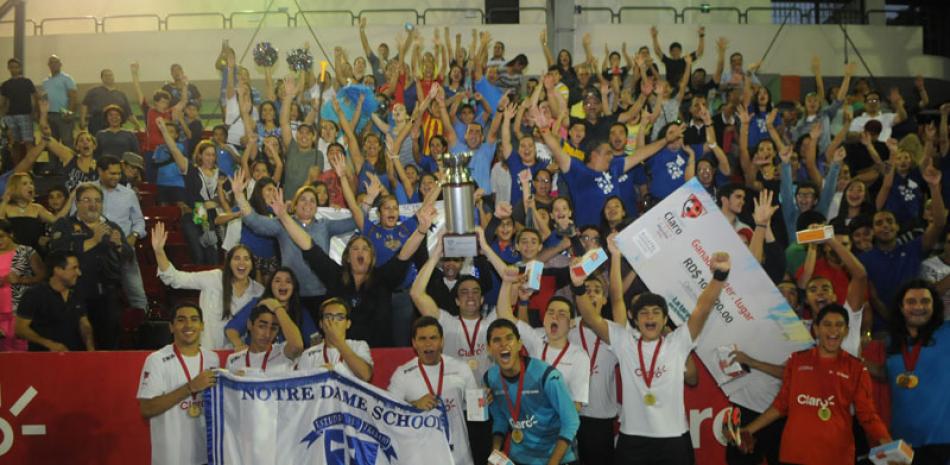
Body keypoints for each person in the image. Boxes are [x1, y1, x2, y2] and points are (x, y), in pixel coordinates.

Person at [575, 250, 732, 465]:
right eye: (644, 313)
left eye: (656, 312)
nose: (650, 317)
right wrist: (577, 287)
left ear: (665, 318)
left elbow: (702, 309)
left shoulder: (677, 342)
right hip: (632, 440)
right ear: (635, 320)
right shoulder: (625, 342)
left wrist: (719, 276)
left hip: (673, 439)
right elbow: (592, 319)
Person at [739, 305, 904, 465]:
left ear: (846, 331)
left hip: (836, 457)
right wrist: (748, 430)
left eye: (839, 325)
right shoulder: (797, 361)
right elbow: (781, 404)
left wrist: (888, 444)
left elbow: (867, 415)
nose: (833, 330)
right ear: (816, 329)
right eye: (827, 324)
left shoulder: (857, 368)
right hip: (795, 455)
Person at [271, 190, 431, 347]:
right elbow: (308, 246)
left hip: (378, 354)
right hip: (341, 355)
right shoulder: (334, 275)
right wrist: (284, 217)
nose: (360, 252)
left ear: (372, 257)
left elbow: (403, 254)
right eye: (355, 249)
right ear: (347, 256)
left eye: (365, 249)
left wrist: (421, 231)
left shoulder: (383, 278)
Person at [151, 222, 264, 349]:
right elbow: (175, 278)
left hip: (237, 356)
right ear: (229, 262)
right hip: (207, 353)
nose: (241, 263)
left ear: (252, 264)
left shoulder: (259, 292)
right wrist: (159, 251)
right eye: (237, 258)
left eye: (246, 259)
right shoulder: (214, 278)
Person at [484, 318, 581, 465]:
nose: (503, 344)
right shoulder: (490, 378)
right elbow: (500, 420)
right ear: (489, 349)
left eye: (509, 338)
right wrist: (495, 452)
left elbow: (571, 421)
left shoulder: (547, 376)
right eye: (497, 340)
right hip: (520, 458)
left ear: (519, 344)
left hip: (556, 458)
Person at [50, 183, 131, 349]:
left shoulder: (112, 226)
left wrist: (120, 246)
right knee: (78, 341)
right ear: (77, 203)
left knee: (110, 342)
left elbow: (129, 257)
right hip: (76, 293)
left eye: (97, 200)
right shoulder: (64, 225)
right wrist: (93, 241)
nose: (93, 204)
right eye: (87, 200)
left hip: (109, 293)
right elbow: (58, 253)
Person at [137, 304, 220, 465]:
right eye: (181, 320)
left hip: (205, 456)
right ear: (171, 327)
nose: (188, 325)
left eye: (194, 320)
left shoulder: (212, 359)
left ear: (202, 326)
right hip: (171, 458)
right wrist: (190, 388)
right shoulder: (156, 360)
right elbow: (146, 409)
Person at [388, 316, 478, 465]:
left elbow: (476, 410)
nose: (428, 343)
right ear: (414, 343)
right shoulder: (402, 374)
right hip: (422, 457)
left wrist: (486, 400)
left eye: (433, 338)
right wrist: (414, 405)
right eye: (422, 338)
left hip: (459, 455)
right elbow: (390, 413)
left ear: (442, 341)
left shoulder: (461, 368)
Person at [878, 280, 950, 464]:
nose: (918, 307)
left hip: (942, 441)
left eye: (925, 301)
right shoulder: (890, 343)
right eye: (911, 302)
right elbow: (885, 375)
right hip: (902, 445)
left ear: (935, 306)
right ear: (901, 308)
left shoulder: (946, 333)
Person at [497, 273, 591, 408]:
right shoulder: (536, 338)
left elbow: (576, 403)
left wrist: (548, 422)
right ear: (544, 318)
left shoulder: (579, 356)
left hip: (557, 424)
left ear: (571, 323)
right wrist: (506, 282)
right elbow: (504, 316)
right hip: (528, 418)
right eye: (551, 312)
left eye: (562, 314)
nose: (555, 317)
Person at [95, 156, 148, 311]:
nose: (116, 177)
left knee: (137, 293)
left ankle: (144, 325)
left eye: (118, 173)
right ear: (100, 171)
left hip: (123, 248)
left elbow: (139, 221)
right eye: (112, 173)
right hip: (96, 248)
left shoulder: (128, 194)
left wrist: (134, 236)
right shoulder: (88, 190)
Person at [14, 250, 93, 352]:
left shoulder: (77, 292)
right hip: (44, 359)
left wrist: (90, 347)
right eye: (74, 268)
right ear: (58, 270)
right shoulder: (34, 295)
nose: (79, 273)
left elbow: (84, 323)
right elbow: (20, 329)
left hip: (74, 356)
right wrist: (49, 344)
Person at [225, 267, 317, 350]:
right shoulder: (258, 303)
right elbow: (231, 329)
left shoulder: (300, 310)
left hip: (287, 362)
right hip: (257, 360)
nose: (282, 284)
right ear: (270, 285)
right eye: (277, 281)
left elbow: (314, 340)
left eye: (288, 281)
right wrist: (239, 345)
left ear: (294, 287)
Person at [296, 297, 374, 381]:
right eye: (328, 317)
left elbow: (366, 376)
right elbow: (300, 387)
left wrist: (338, 341)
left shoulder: (359, 346)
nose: (333, 321)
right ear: (321, 324)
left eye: (340, 317)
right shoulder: (308, 354)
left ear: (348, 324)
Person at [225, 298, 304, 374]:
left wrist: (278, 308)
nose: (267, 334)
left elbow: (297, 346)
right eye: (262, 326)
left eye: (273, 328)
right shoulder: (233, 360)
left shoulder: (282, 352)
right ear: (249, 324)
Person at [0, 219, 44, 351]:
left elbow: (43, 276)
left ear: (11, 234)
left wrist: (21, 280)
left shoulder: (25, 251)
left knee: (21, 352)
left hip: (20, 311)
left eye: (1, 236)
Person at [42, 55, 79, 159]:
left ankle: (72, 166)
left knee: (67, 141)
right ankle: (54, 168)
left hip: (64, 114)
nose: (54, 64)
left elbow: (73, 96)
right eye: (51, 62)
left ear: (60, 64)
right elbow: (44, 99)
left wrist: (69, 113)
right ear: (48, 65)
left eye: (56, 62)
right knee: (52, 142)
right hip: (50, 115)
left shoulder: (67, 78)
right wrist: (43, 116)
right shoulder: (45, 81)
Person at [82, 68, 138, 136]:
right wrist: (82, 120)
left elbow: (129, 113)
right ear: (102, 78)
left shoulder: (121, 94)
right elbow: (84, 105)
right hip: (96, 125)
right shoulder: (93, 91)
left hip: (116, 125)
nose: (109, 77)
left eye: (110, 75)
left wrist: (136, 124)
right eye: (106, 75)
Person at [0, 58, 39, 149]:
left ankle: (30, 163)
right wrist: (2, 116)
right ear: (8, 68)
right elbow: (2, 101)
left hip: (25, 116)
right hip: (10, 117)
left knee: (28, 142)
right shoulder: (5, 84)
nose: (14, 69)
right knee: (14, 144)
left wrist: (36, 113)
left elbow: (35, 98)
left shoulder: (27, 82)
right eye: (12, 67)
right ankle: (18, 164)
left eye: (16, 67)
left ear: (20, 68)